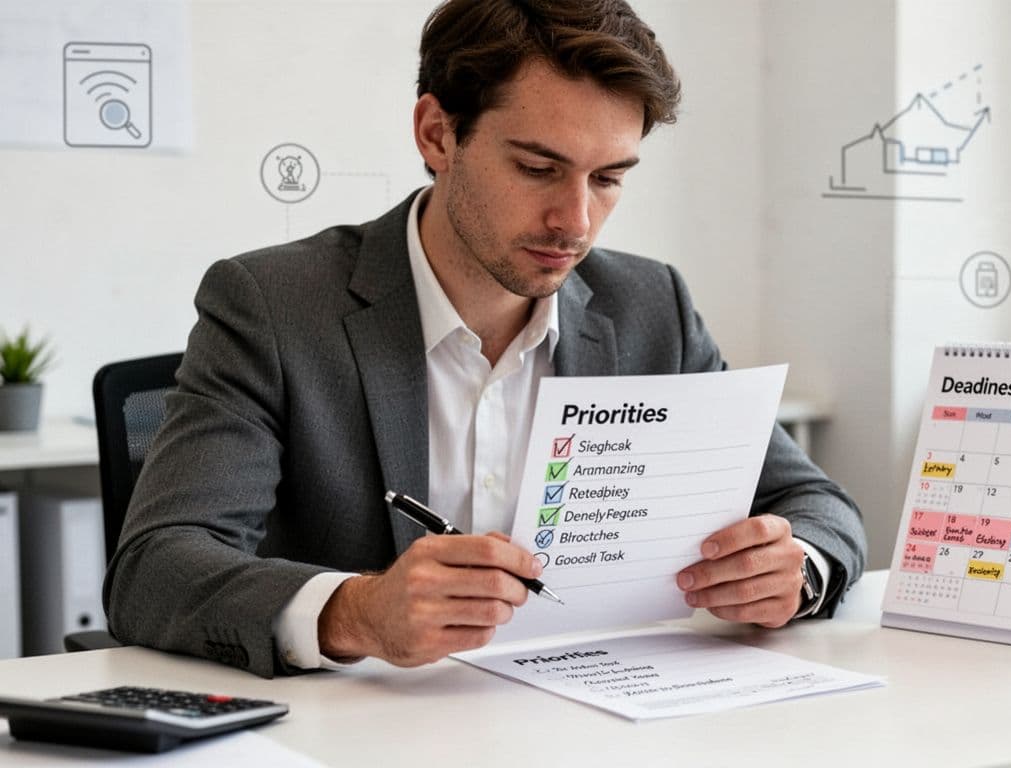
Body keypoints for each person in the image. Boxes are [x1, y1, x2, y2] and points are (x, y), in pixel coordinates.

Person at [105, 0, 866, 678]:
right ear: (437, 134)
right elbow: (155, 567)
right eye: (539, 168)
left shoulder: (650, 305)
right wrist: (357, 612)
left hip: (603, 716)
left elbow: (812, 501)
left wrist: (795, 566)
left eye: (608, 179)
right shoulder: (272, 306)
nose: (575, 222)